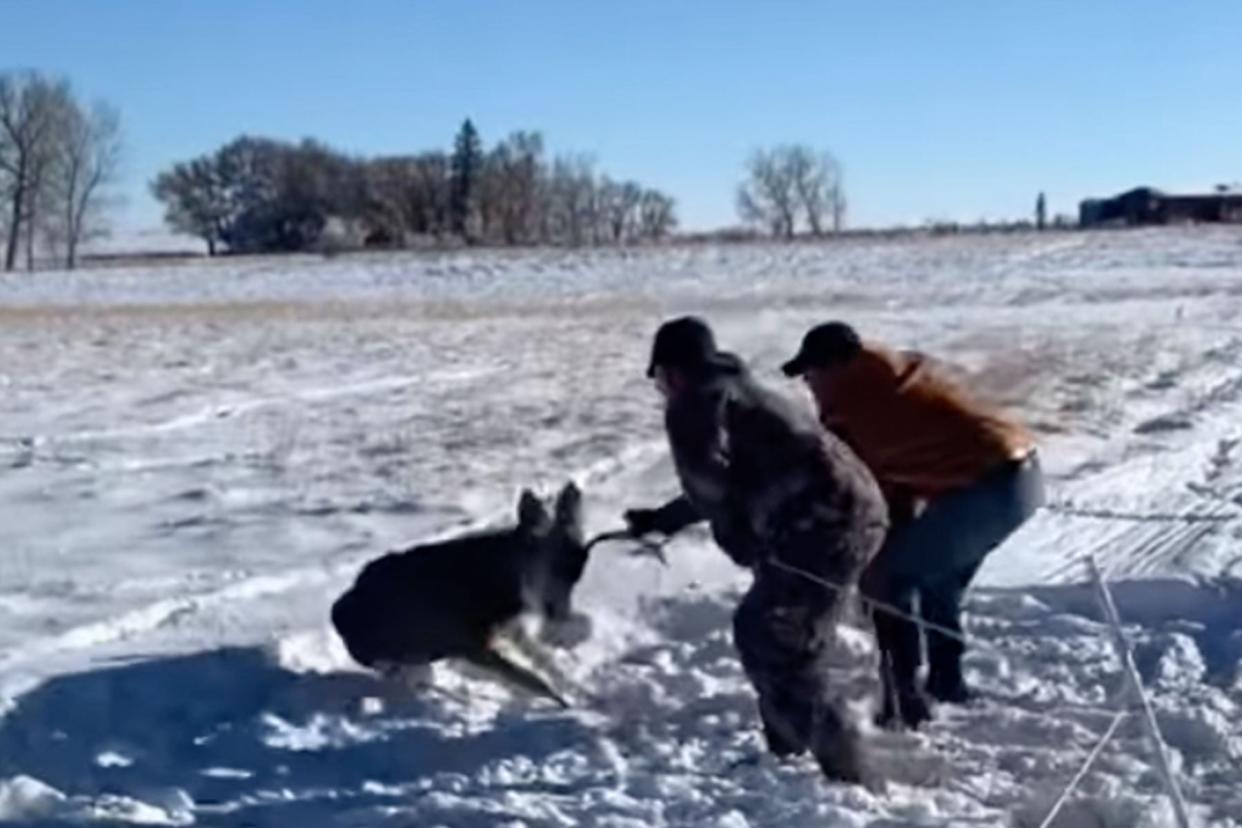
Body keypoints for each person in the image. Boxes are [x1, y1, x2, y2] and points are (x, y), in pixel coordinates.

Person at [624, 316, 888, 785]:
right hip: (856, 513)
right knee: (786, 634)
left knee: (770, 637)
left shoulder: (695, 400)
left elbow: (709, 484)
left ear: (673, 373)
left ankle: (846, 770)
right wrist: (665, 519)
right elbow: (741, 478)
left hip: (820, 527)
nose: (662, 390)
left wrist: (745, 543)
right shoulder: (740, 390)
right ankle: (789, 753)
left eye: (661, 379)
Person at [781, 321, 1044, 729]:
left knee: (887, 580)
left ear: (833, 368)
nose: (808, 385)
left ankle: (905, 700)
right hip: (1021, 476)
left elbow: (858, 486)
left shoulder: (854, 403)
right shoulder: (897, 374)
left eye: (811, 374)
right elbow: (897, 474)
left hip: (985, 489)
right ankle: (945, 682)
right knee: (937, 580)